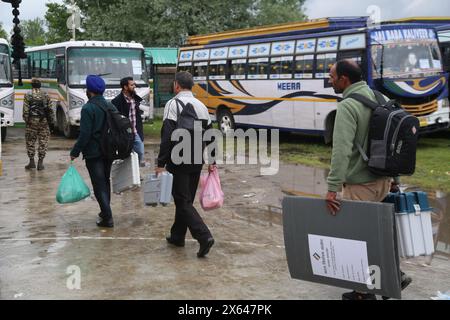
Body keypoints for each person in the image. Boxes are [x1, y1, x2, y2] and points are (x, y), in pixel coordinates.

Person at [326, 59, 411, 300]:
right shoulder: (380, 98)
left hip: (360, 185)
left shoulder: (348, 105)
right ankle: (392, 277)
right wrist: (393, 177)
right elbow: (393, 143)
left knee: (358, 239)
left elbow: (341, 151)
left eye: (332, 76)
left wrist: (332, 188)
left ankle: (364, 292)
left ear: (344, 79)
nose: (330, 80)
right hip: (383, 181)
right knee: (375, 235)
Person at [156, 71, 215, 258]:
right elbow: (210, 135)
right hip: (197, 159)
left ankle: (204, 236)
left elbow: (167, 135)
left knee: (182, 201)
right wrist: (212, 160)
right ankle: (177, 236)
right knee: (185, 199)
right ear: (191, 86)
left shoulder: (172, 104)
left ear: (176, 85)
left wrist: (161, 162)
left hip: (178, 158)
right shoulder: (202, 106)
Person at [70, 75, 116, 228]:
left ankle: (107, 218)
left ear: (89, 91)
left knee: (99, 185)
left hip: (94, 153)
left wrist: (75, 151)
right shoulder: (110, 105)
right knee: (105, 181)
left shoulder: (88, 108)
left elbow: (85, 134)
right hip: (109, 151)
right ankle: (105, 212)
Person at [112, 77, 146, 167]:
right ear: (125, 87)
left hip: (135, 131)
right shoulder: (116, 101)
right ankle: (128, 175)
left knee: (140, 152)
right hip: (124, 133)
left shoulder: (135, 98)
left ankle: (136, 172)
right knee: (124, 155)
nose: (134, 86)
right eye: (132, 85)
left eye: (134, 84)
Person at [23, 78, 54, 171]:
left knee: (30, 141)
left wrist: (27, 121)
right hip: (43, 121)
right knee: (43, 141)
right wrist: (51, 122)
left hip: (31, 121)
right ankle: (40, 163)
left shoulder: (28, 95)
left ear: (32, 85)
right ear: (40, 85)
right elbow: (50, 110)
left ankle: (31, 162)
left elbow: (25, 110)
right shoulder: (46, 95)